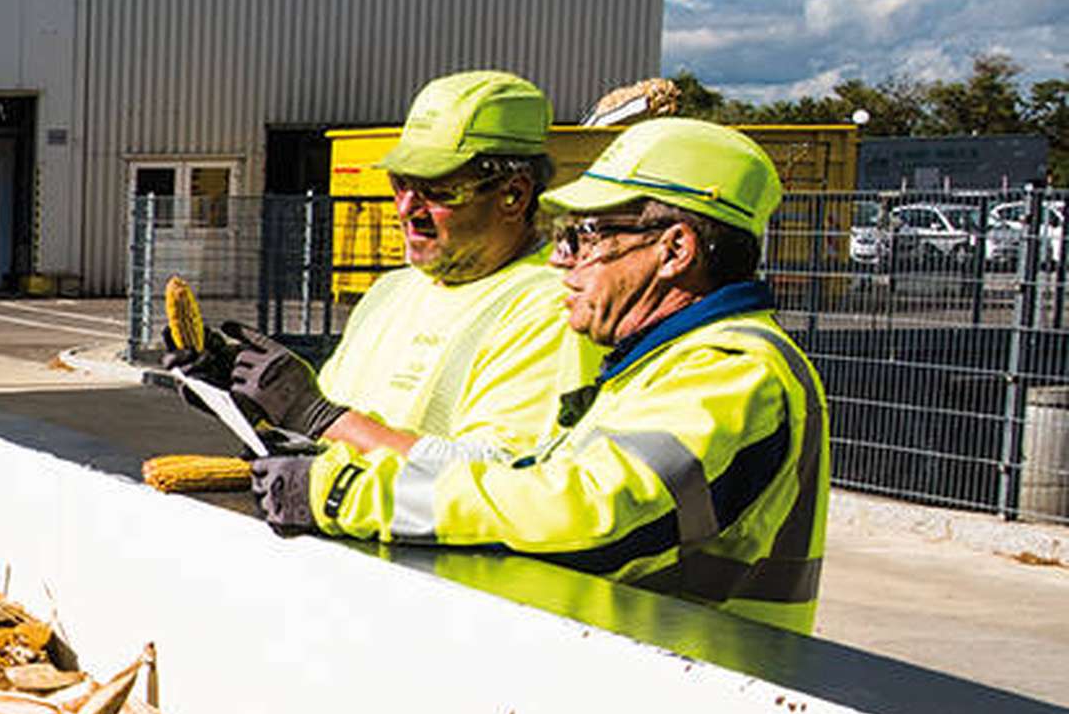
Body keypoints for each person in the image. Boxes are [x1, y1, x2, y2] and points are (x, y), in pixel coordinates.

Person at [253, 118, 830, 639]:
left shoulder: (736, 373)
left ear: (674, 249)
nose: (559, 261)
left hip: (713, 696)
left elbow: (586, 517)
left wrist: (349, 496)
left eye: (584, 237)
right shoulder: (656, 367)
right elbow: (523, 478)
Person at [219, 71, 586, 456]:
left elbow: (493, 476)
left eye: (437, 190)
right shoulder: (391, 290)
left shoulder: (555, 307)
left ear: (513, 195)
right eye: (400, 184)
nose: (408, 208)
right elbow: (322, 433)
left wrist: (311, 413)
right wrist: (257, 402)